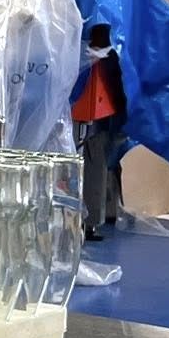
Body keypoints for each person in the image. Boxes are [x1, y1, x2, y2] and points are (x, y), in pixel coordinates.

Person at [72, 21, 126, 239]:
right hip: (97, 98)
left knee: (95, 151)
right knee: (97, 151)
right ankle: (92, 217)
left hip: (96, 99)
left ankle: (90, 218)